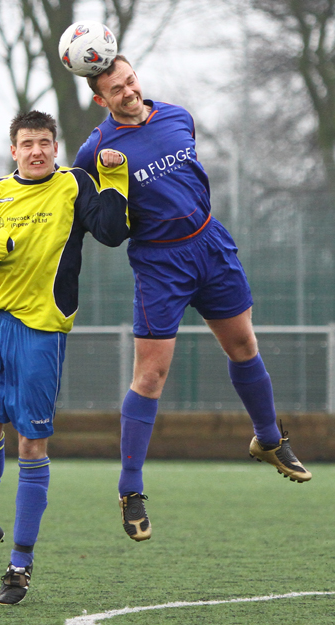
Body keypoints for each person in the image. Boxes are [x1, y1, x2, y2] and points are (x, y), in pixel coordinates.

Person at [73, 55, 311, 542]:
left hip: (210, 244)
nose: (128, 91)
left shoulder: (179, 117)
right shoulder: (94, 149)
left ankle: (269, 439)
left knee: (244, 346)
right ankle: (130, 488)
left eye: (130, 80)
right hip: (160, 264)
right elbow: (96, 219)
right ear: (101, 99)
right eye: (116, 89)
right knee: (151, 374)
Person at [0, 110, 129, 605]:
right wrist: (2, 244)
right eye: (27, 143)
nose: (36, 151)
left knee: (32, 444)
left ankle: (20, 564)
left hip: (41, 331)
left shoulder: (75, 184)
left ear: (56, 148)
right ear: (13, 150)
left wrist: (113, 176)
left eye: (45, 143)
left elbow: (114, 233)